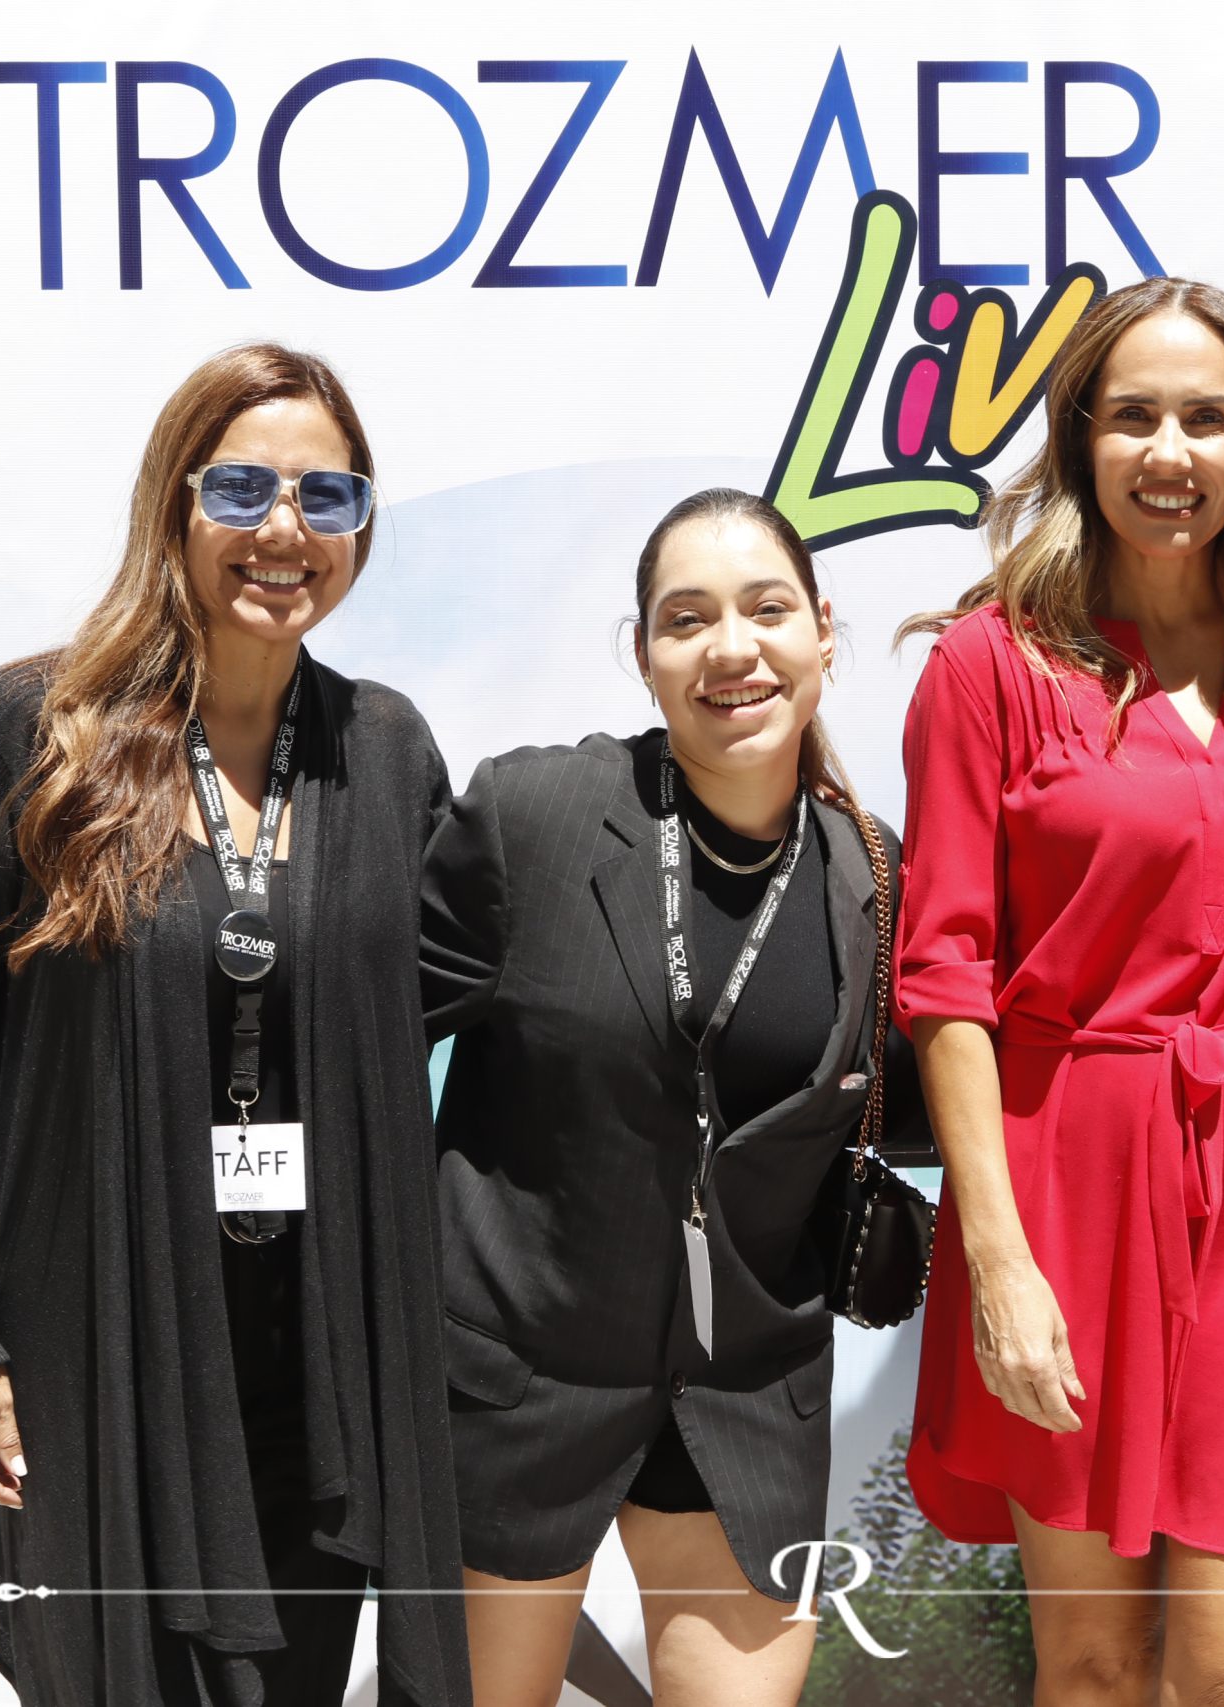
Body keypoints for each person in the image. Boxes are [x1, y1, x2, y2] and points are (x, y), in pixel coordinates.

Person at [0, 344, 469, 1706]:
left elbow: (469, 996)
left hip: (317, 1371)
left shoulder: (385, 751)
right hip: (99, 1353)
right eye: (244, 488)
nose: (285, 530)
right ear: (174, 504)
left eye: (327, 496)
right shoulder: (39, 728)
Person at [895, 277, 1224, 1705]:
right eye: (1135, 417)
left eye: (1207, 419)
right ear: (1081, 440)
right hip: (1063, 1178)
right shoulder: (988, 664)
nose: (1171, 452)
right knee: (1098, 1668)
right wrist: (999, 1265)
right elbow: (944, 978)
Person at [420, 488, 923, 1707]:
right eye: (686, 620)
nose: (730, 649)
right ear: (642, 655)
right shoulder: (533, 818)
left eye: (766, 610)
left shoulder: (872, 875)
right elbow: (353, 1047)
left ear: (823, 635)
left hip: (745, 1400)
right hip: (518, 1385)